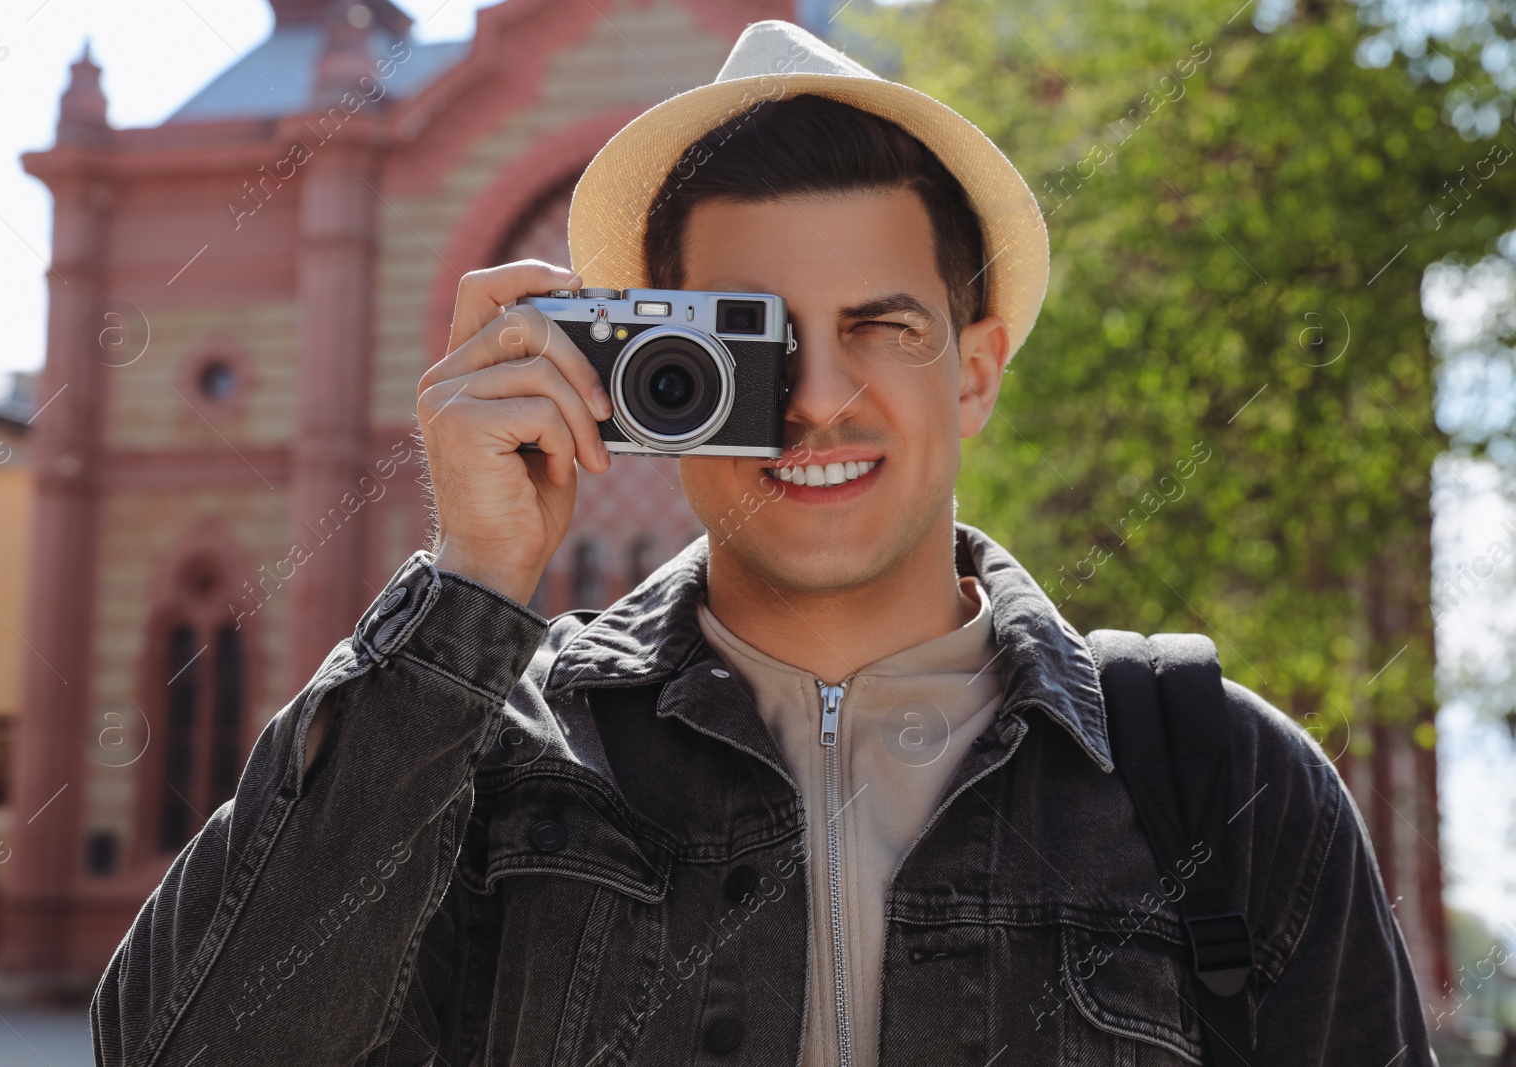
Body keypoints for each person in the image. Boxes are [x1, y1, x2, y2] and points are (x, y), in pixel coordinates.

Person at [90, 19, 1436, 1067]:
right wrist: (467, 592)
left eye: (881, 326)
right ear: (642, 375)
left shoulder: (1225, 784)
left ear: (974, 372)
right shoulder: (497, 768)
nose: (814, 398)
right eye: (746, 338)